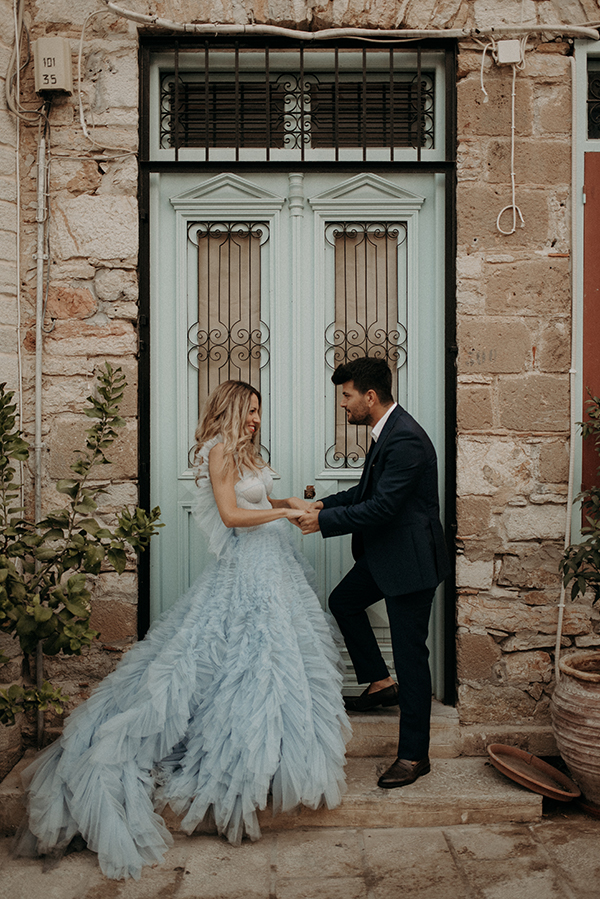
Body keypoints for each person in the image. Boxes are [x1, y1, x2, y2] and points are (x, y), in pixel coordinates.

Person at [16, 380, 349, 880]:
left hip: (272, 566)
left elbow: (258, 495)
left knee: (271, 659)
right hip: (247, 569)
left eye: (260, 410)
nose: (258, 418)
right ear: (232, 409)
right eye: (251, 410)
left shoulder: (246, 453)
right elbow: (235, 515)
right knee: (229, 655)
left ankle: (276, 748)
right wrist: (281, 512)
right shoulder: (218, 452)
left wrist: (296, 504)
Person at [298, 357, 450, 789]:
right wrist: (324, 504)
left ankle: (413, 756)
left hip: (410, 563)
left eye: (346, 396)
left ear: (369, 396)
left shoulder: (405, 440)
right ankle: (381, 683)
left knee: (411, 657)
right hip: (386, 554)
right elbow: (367, 493)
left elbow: (383, 508)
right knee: (343, 601)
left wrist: (321, 524)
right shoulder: (388, 431)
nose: (342, 404)